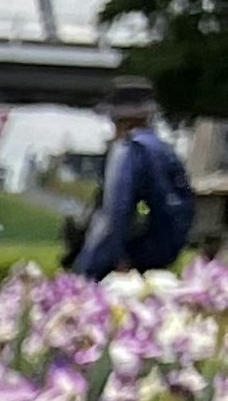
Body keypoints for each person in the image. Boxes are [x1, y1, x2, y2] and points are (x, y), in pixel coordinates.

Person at [71, 80, 198, 279]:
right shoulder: (164, 150)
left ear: (118, 117)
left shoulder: (128, 150)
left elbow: (115, 210)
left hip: (123, 262)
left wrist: (103, 262)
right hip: (160, 257)